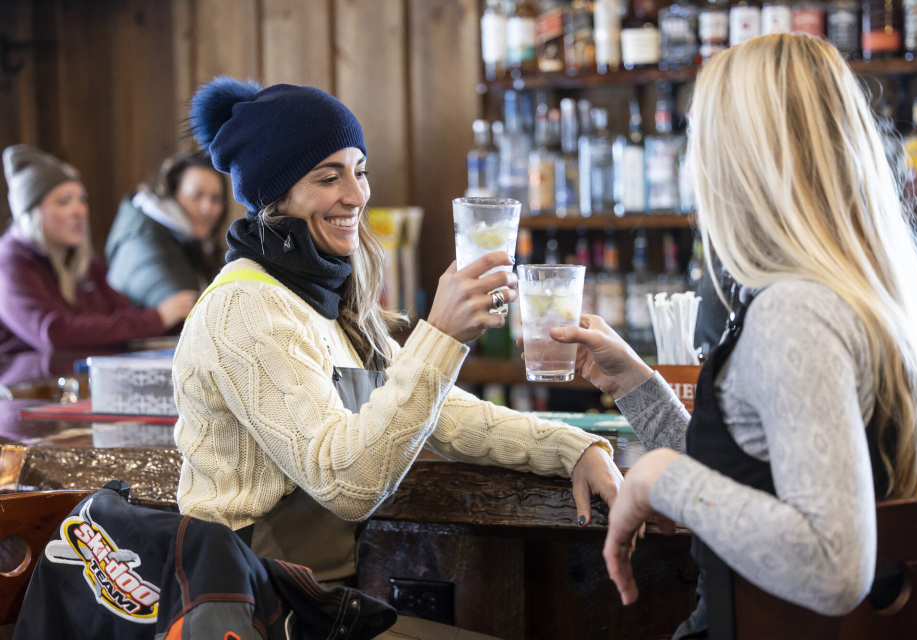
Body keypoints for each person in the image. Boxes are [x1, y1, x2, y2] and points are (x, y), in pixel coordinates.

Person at [537, 35, 917, 637]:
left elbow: (835, 565)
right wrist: (637, 385)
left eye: (701, 144)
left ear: (744, 164)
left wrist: (663, 477)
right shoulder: (862, 297)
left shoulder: (796, 314)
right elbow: (749, 486)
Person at [173, 78, 623, 638]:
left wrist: (571, 449)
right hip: (257, 609)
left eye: (358, 169)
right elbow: (348, 483)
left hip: (318, 601)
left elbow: (444, 414)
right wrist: (442, 334)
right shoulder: (246, 306)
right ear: (275, 195)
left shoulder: (317, 295)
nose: (357, 195)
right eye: (327, 176)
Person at [0, 145, 196, 356]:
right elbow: (53, 333)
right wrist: (158, 318)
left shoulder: (88, 264)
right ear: (32, 213)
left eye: (82, 200)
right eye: (64, 201)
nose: (80, 211)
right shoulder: (11, 263)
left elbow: (123, 314)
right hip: (26, 387)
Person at [105, 151, 228, 308]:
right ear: (171, 195)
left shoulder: (192, 241)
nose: (208, 208)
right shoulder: (144, 241)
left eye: (216, 199)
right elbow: (187, 315)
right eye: (197, 196)